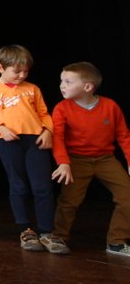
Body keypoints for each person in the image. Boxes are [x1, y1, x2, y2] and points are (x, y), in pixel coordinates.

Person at [0, 45, 60, 252]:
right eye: (17, 71)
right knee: (19, 185)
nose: (22, 75)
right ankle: (26, 230)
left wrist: (48, 131)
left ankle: (46, 232)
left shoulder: (32, 89)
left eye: (26, 71)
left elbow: (44, 114)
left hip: (35, 141)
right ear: (0, 68)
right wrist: (0, 128)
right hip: (10, 143)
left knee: (42, 186)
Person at [49, 62, 130, 257]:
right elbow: (57, 138)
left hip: (105, 160)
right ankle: (59, 236)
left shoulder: (110, 106)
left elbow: (123, 136)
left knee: (127, 197)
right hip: (76, 160)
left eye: (68, 82)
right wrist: (63, 163)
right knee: (69, 201)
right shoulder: (62, 108)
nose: (62, 85)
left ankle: (117, 241)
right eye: (61, 81)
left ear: (88, 87)